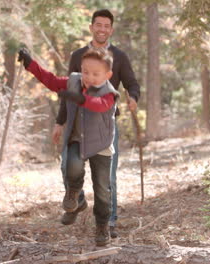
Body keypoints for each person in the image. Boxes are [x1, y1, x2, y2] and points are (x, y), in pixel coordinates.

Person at [52, 9, 140, 237]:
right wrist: (60, 122)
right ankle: (78, 200)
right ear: (91, 27)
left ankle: (109, 222)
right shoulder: (78, 55)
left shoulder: (119, 56)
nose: (102, 29)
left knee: (107, 176)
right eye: (98, 25)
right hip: (77, 125)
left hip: (104, 124)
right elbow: (68, 89)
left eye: (106, 26)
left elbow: (132, 83)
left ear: (111, 30)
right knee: (66, 167)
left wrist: (133, 97)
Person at [18, 48, 119, 246]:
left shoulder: (110, 93)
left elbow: (99, 105)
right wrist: (31, 64)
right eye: (85, 71)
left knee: (102, 191)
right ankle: (75, 195)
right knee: (70, 165)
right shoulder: (74, 81)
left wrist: (83, 99)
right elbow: (52, 80)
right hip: (77, 139)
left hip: (101, 145)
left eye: (95, 74)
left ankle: (102, 226)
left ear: (107, 75)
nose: (88, 77)